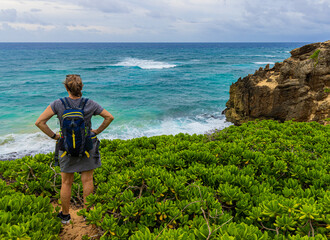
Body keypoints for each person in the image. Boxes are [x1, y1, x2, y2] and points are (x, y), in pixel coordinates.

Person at [35, 74, 114, 224]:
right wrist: (96, 131)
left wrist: (55, 136)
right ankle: (87, 215)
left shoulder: (58, 104)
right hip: (87, 146)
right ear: (81, 87)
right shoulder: (90, 103)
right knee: (87, 180)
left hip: (65, 147)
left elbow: (40, 122)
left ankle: (65, 216)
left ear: (66, 87)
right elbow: (109, 117)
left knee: (66, 182)